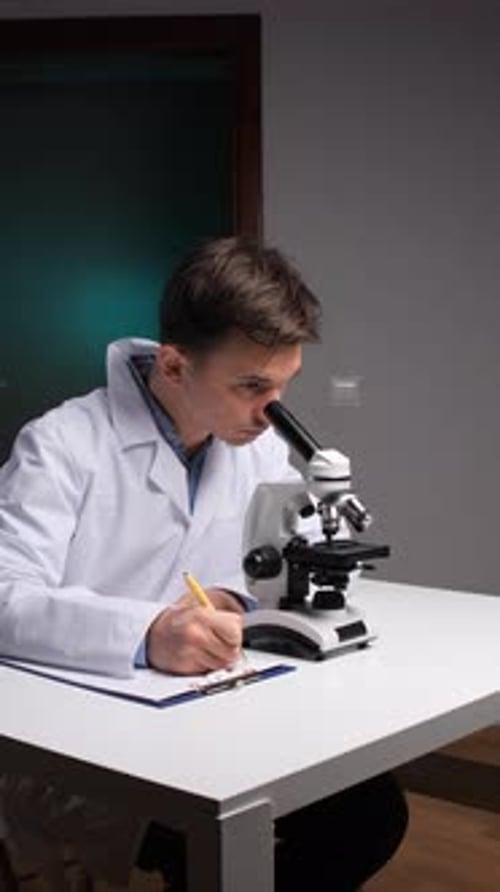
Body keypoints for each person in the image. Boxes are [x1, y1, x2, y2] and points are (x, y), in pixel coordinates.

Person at [0, 236, 407, 890]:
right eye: (252, 386)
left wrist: (241, 597)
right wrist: (146, 631)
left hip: (208, 707)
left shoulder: (255, 446)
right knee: (224, 834)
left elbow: (290, 556)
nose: (271, 410)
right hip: (84, 727)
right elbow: (4, 598)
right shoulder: (63, 444)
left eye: (282, 385)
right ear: (173, 365)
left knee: (369, 813)